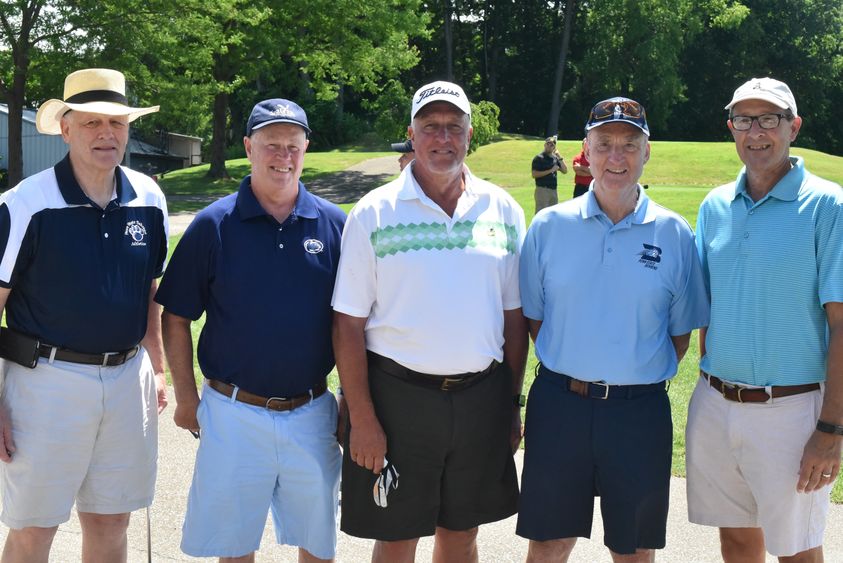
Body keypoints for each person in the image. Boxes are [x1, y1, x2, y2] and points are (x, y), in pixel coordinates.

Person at [332, 80, 527, 563]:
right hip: (398, 399)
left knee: (461, 534)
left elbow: (515, 319)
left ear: (470, 134)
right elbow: (347, 325)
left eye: (453, 127)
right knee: (397, 536)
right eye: (430, 127)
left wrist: (511, 402)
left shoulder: (502, 209)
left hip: (480, 397)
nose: (443, 138)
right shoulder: (373, 212)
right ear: (411, 135)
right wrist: (362, 417)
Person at [517, 97, 709, 562]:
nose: (616, 157)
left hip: (638, 412)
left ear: (647, 152)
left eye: (630, 144)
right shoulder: (548, 227)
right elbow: (534, 319)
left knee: (634, 547)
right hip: (561, 404)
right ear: (585, 151)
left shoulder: (674, 233)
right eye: (604, 144)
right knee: (549, 542)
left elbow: (680, 331)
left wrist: (630, 369)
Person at [155, 99, 346, 562]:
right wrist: (186, 397)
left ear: (306, 149)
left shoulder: (337, 225)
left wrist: (353, 401)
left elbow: (355, 324)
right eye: (271, 145)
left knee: (317, 544)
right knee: (234, 546)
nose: (283, 155)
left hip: (312, 409)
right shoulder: (212, 225)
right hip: (233, 409)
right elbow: (175, 316)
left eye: (292, 145)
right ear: (248, 147)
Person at [0, 68, 167, 562]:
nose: (106, 134)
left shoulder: (150, 198)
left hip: (125, 380)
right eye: (91, 122)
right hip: (45, 381)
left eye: (116, 123)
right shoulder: (25, 204)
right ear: (66, 128)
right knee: (34, 528)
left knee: (113, 521)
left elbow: (150, 289)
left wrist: (156, 368)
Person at [687, 77, 843, 561]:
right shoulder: (715, 205)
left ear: (793, 127)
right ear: (731, 128)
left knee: (796, 550)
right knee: (735, 539)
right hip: (715, 403)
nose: (756, 132)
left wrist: (831, 430)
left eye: (769, 119)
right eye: (744, 120)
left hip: (792, 412)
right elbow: (707, 308)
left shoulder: (828, 205)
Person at [531, 136, 567, 213]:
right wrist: (551, 170)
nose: (550, 146)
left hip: (553, 190)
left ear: (554, 147)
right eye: (548, 144)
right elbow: (534, 174)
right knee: (541, 213)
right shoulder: (539, 158)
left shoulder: (555, 158)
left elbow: (565, 170)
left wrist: (559, 156)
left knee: (553, 214)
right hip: (542, 189)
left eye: (552, 145)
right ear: (544, 145)